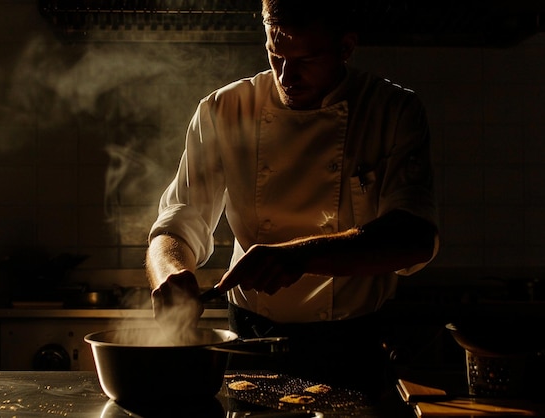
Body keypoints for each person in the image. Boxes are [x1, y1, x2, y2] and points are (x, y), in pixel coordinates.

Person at [145, 0, 439, 401]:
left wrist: (297, 257)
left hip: (352, 345)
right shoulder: (225, 109)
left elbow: (413, 237)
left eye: (307, 59)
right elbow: (178, 219)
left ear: (346, 47)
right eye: (275, 54)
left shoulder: (393, 111)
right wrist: (170, 272)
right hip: (250, 340)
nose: (287, 75)